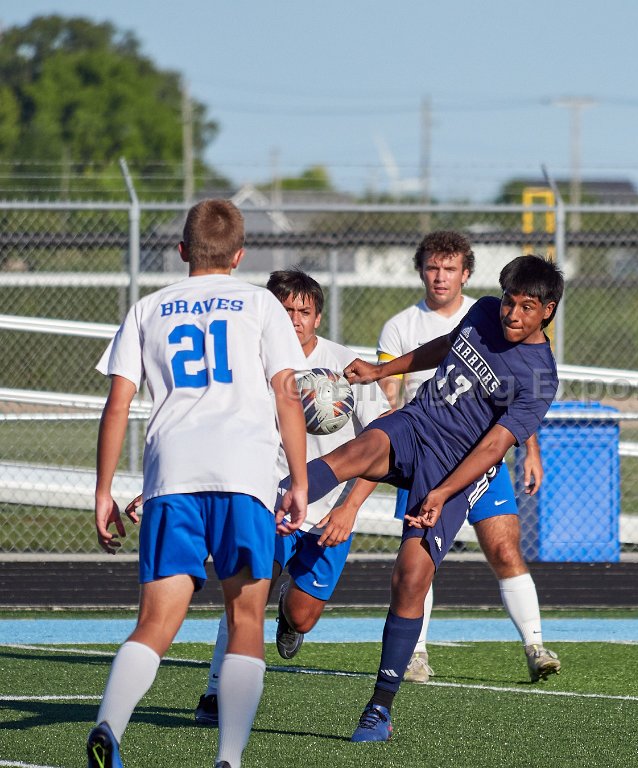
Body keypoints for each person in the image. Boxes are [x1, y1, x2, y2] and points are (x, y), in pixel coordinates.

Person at [282, 253, 563, 742]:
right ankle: (271, 507)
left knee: (410, 578)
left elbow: (494, 447)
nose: (512, 314)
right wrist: (380, 371)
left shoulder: (540, 376)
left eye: (526, 307)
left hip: (456, 469)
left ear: (548, 311)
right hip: (417, 423)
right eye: (509, 302)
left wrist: (443, 491)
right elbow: (446, 344)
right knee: (359, 450)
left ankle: (379, 708)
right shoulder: (483, 312)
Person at [87, 199, 309, 768]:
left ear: (182, 249)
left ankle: (110, 725)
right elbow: (287, 394)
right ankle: (228, 757)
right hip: (244, 476)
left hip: (173, 475)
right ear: (240, 255)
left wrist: (103, 491)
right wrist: (300, 480)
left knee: (155, 622)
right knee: (246, 621)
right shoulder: (260, 304)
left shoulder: (148, 308)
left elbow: (118, 404)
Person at [192, 268, 389, 726]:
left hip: (328, 514)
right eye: (286, 310)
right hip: (268, 502)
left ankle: (289, 617)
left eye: (304, 311)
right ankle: (216, 692)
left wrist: (349, 507)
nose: (295, 319)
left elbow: (383, 444)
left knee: (302, 617)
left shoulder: (346, 366)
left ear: (318, 317)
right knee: (248, 594)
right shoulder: (249, 364)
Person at [376, 230, 560, 684]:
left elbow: (522, 400)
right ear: (421, 271)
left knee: (504, 547)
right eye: (432, 267)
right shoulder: (400, 326)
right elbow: (390, 391)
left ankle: (535, 644)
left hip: (483, 460)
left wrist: (531, 450)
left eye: (450, 268)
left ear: (467, 274)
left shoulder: (494, 311)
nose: (440, 277)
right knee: (420, 558)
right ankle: (415, 652)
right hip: (425, 452)